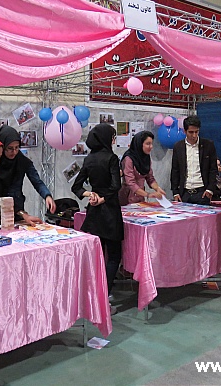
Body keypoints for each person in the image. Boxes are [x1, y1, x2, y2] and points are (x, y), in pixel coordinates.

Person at [72, 124, 124, 309]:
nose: (113, 140)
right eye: (113, 137)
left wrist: (90, 195)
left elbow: (76, 187)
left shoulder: (89, 159)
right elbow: (116, 185)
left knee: (99, 255)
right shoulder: (111, 158)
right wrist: (102, 198)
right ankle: (105, 294)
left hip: (94, 212)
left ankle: (94, 293)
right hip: (109, 210)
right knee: (114, 256)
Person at [0, 125, 55, 225]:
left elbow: (37, 181)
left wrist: (47, 196)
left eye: (17, 148)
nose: (14, 152)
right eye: (10, 148)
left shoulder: (22, 161)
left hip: (17, 209)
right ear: (2, 146)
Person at [170, 115, 217, 205]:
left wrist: (210, 189)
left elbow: (213, 169)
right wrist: (175, 191)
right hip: (184, 193)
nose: (194, 135)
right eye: (191, 132)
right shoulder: (178, 147)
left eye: (196, 132)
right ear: (184, 131)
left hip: (202, 192)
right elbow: (175, 170)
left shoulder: (208, 145)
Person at [119, 131, 166, 205]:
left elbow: (150, 178)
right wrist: (148, 194)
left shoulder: (146, 158)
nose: (151, 146)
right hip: (128, 197)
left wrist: (157, 188)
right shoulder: (128, 159)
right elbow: (130, 182)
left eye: (151, 144)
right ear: (140, 144)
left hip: (140, 197)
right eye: (148, 144)